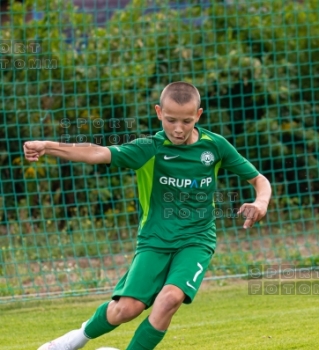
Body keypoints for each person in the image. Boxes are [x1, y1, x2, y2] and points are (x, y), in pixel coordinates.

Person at [24, 82, 272, 350]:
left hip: (197, 240)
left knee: (169, 300)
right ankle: (72, 340)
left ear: (198, 115)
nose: (178, 128)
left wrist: (261, 202)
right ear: (158, 112)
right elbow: (97, 152)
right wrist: (48, 146)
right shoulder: (149, 149)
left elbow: (259, 179)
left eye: (187, 121)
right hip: (154, 240)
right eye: (170, 120)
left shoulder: (214, 147)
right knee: (126, 309)